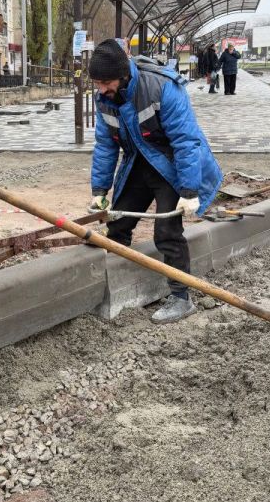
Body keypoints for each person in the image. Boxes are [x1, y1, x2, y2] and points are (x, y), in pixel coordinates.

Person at [88, 39, 223, 324]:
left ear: (123, 74)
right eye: (97, 83)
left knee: (166, 231)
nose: (101, 89)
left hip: (171, 164)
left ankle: (181, 298)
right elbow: (105, 145)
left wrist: (189, 189)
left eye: (106, 82)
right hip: (139, 161)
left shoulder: (162, 87)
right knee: (119, 223)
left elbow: (186, 142)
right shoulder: (105, 98)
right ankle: (119, 282)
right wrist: (99, 190)